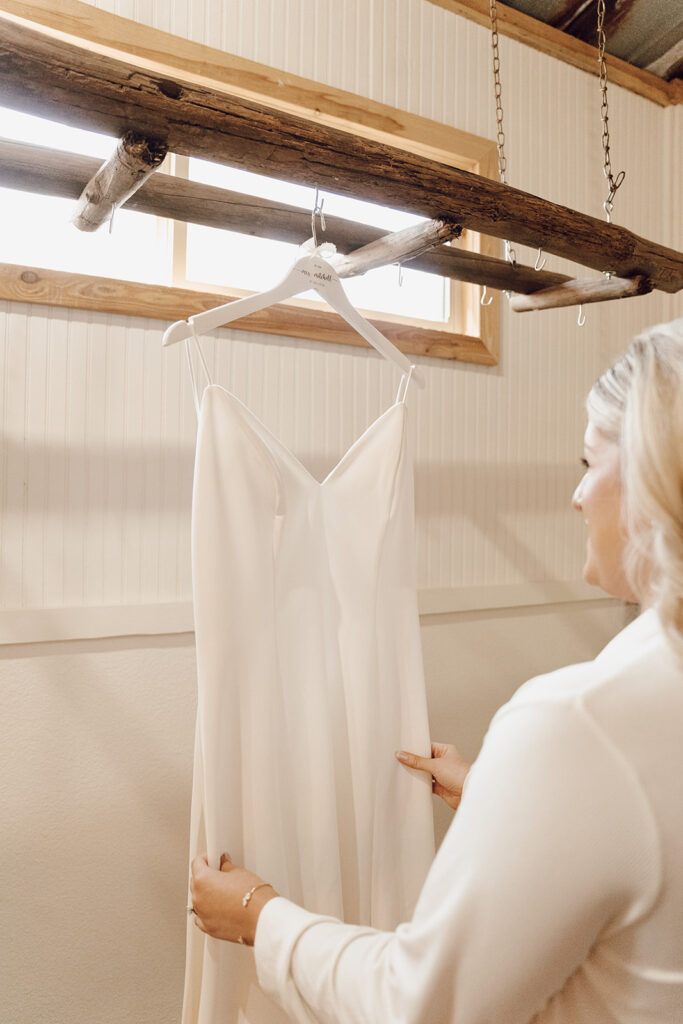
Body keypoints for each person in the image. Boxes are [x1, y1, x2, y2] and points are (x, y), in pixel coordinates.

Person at [190, 319, 683, 1023]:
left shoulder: (576, 724)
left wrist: (257, 915)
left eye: (586, 465)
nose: (575, 497)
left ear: (652, 481)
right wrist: (504, 796)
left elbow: (417, 1005)